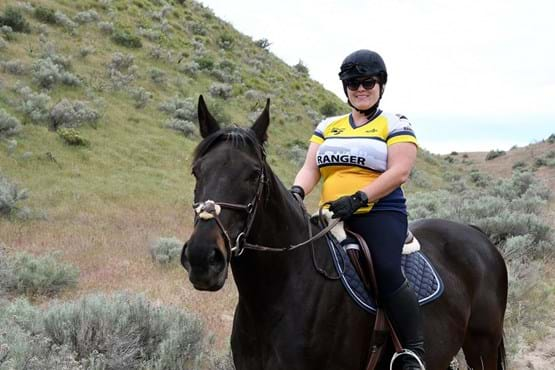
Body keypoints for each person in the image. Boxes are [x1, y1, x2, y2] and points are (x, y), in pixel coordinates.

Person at [290, 49, 424, 370]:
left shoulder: (394, 123)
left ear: (381, 85)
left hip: (378, 214)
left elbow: (400, 171)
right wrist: (297, 191)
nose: (360, 89)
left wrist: (360, 198)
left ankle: (413, 352)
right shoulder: (328, 126)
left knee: (386, 270)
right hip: (331, 215)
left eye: (368, 82)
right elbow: (311, 169)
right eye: (353, 83)